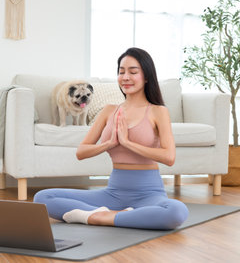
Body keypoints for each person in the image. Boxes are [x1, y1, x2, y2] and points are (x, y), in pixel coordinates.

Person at [33, 47, 189, 230]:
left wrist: (128, 143)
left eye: (133, 72)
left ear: (146, 76)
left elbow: (169, 157)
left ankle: (99, 217)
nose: (125, 77)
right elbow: (81, 152)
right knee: (43, 197)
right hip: (112, 194)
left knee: (176, 212)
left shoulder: (158, 111)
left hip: (149, 194)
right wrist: (108, 144)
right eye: (121, 72)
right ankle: (115, 216)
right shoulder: (109, 111)